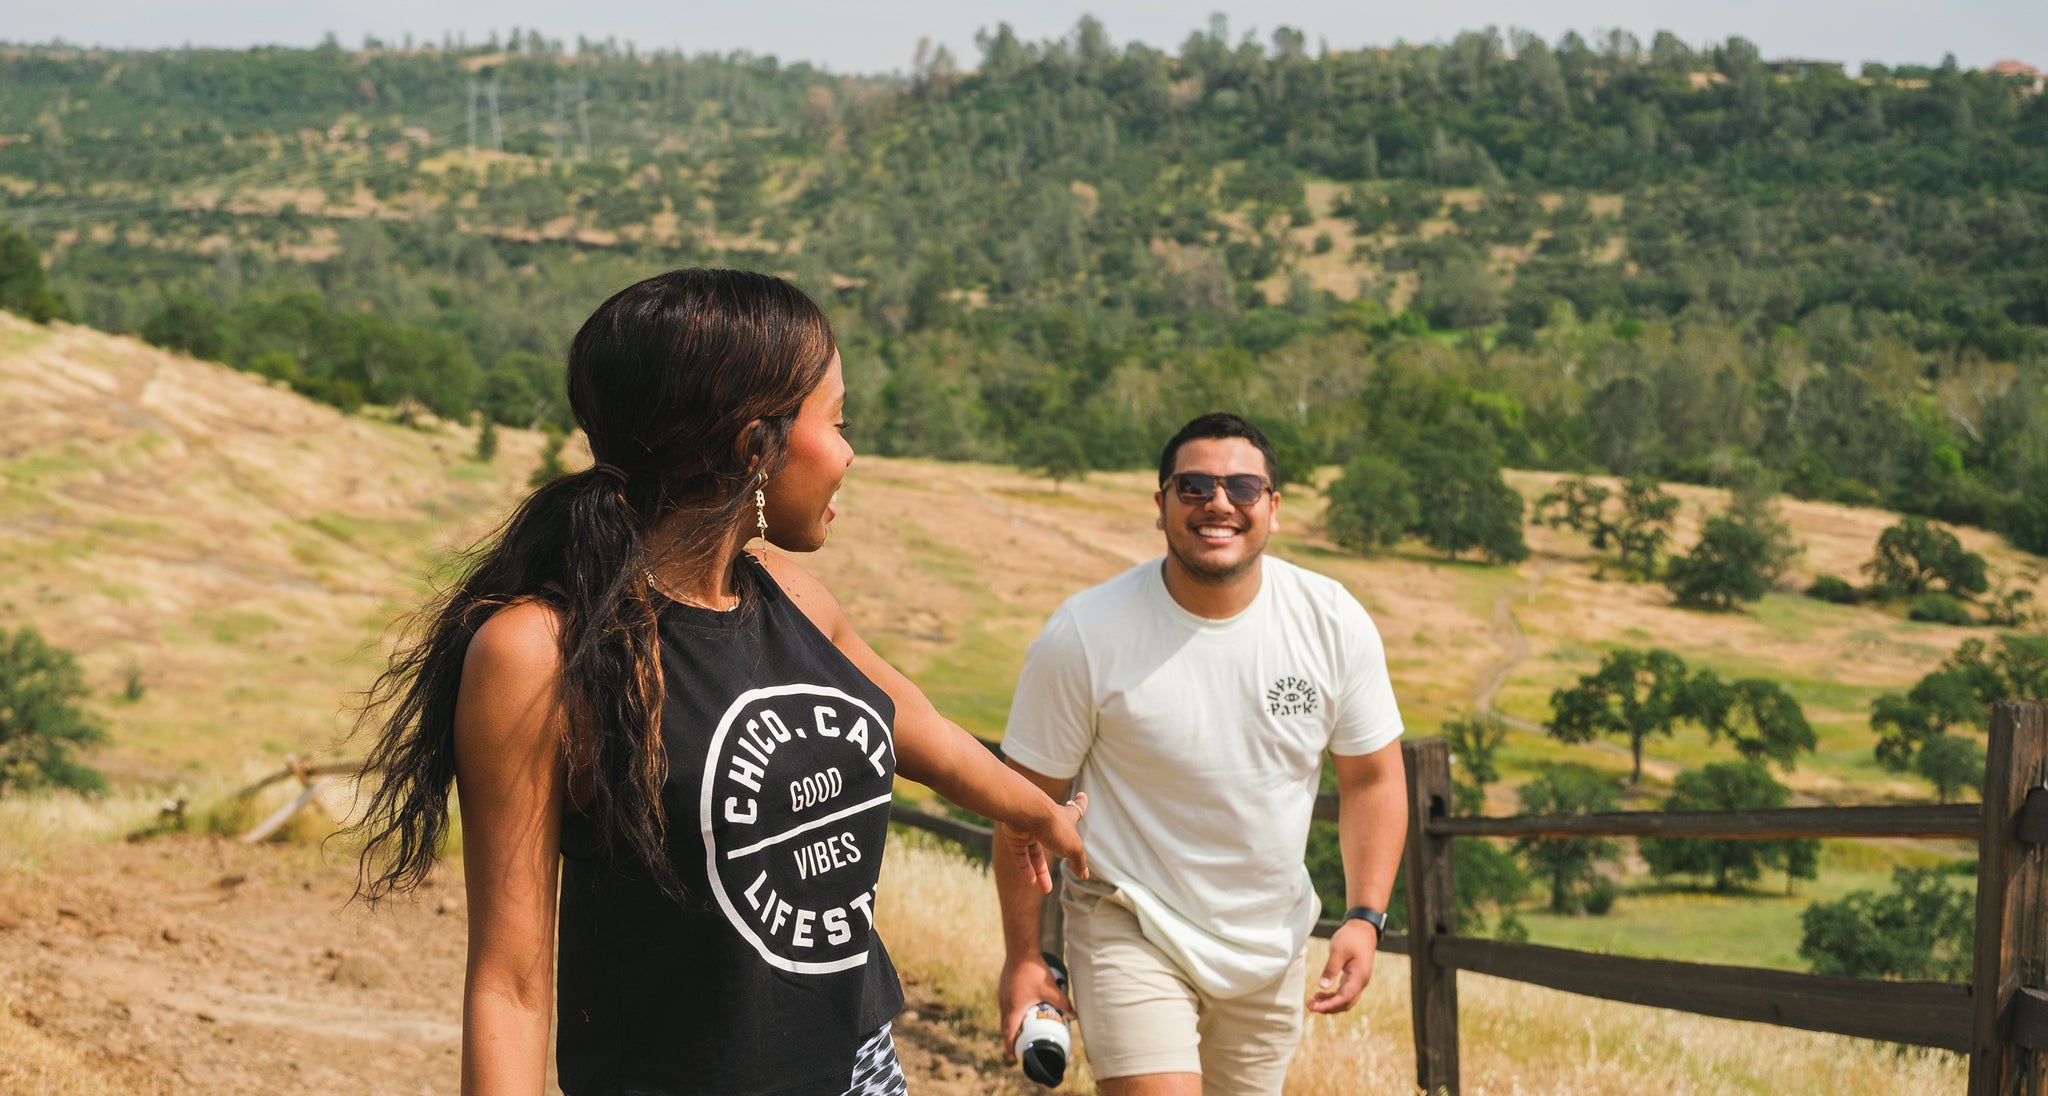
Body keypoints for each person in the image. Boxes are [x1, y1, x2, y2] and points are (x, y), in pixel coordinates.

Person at [350, 268, 1088, 1096]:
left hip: (862, 1069)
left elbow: (927, 734)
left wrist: (1043, 817)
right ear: (754, 446)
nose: (849, 453)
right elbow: (511, 986)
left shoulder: (801, 601)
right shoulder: (542, 654)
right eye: (837, 422)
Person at [994, 412, 1408, 1096]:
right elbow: (1021, 808)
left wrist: (1366, 916)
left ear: (1273, 508)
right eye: (1193, 486)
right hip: (1130, 924)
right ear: (1160, 506)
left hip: (1269, 947)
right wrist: (1023, 957)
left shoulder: (1332, 622)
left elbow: (1371, 778)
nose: (1218, 502)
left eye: (1243, 487)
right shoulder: (1085, 634)